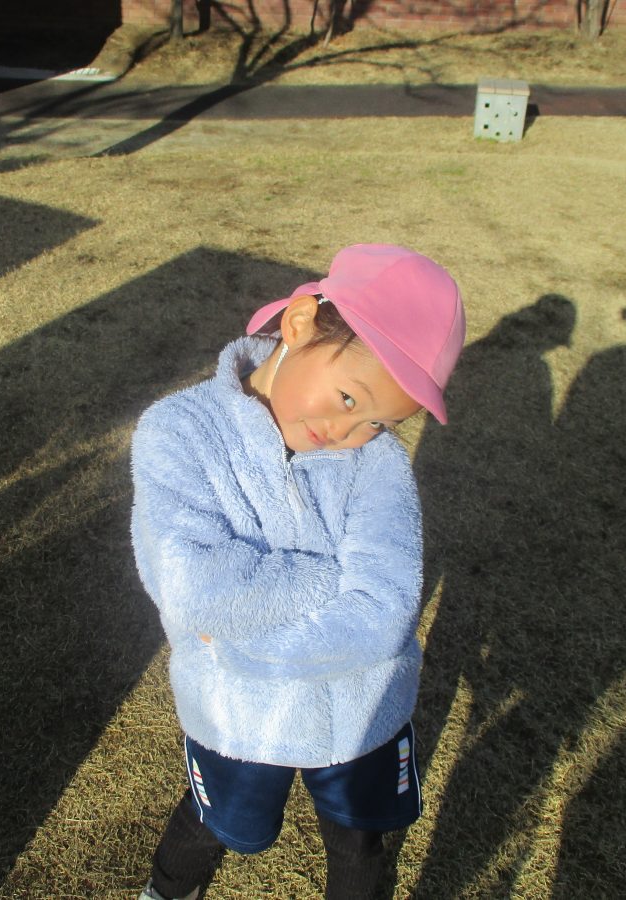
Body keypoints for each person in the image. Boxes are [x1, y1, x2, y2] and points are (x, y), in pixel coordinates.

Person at [129, 244, 466, 899]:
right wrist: (327, 579)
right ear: (300, 322)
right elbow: (192, 586)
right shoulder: (179, 432)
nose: (347, 431)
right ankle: (167, 892)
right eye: (348, 396)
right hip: (235, 715)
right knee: (214, 821)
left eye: (378, 421)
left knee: (358, 841)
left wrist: (240, 641)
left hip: (357, 713)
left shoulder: (380, 465)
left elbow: (384, 609)